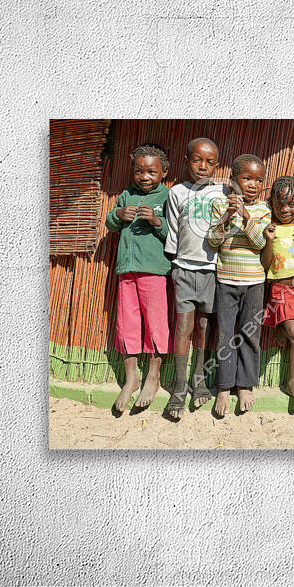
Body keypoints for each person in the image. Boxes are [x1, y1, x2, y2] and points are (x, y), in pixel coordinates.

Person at [104, 143, 173, 414]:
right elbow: (111, 223)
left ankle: (153, 377)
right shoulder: (126, 195)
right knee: (127, 321)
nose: (144, 177)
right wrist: (118, 215)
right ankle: (131, 378)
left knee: (155, 323)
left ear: (164, 172)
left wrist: (157, 222)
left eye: (151, 172)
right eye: (139, 171)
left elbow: (174, 234)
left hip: (154, 270)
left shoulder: (167, 197)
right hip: (126, 269)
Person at [163, 137, 227, 419]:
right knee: (184, 326)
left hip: (212, 269)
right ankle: (179, 387)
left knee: (203, 325)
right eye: (197, 160)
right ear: (186, 161)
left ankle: (198, 379)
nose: (203, 166)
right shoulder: (177, 192)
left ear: (217, 165)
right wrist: (175, 267)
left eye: (210, 162)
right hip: (184, 268)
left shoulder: (223, 192)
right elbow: (173, 233)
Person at [206, 154, 271, 417]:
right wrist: (227, 216)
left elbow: (260, 242)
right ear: (233, 180)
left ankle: (245, 385)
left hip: (254, 282)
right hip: (226, 280)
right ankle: (223, 387)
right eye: (247, 178)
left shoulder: (264, 209)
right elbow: (212, 240)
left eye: (259, 180)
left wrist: (244, 215)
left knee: (249, 334)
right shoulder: (221, 205)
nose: (253, 184)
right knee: (224, 334)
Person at [260, 176, 294, 407]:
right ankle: (292, 382)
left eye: (291, 204)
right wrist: (269, 241)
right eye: (279, 204)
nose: (285, 209)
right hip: (281, 288)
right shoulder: (271, 228)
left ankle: (280, 329)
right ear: (272, 203)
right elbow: (265, 264)